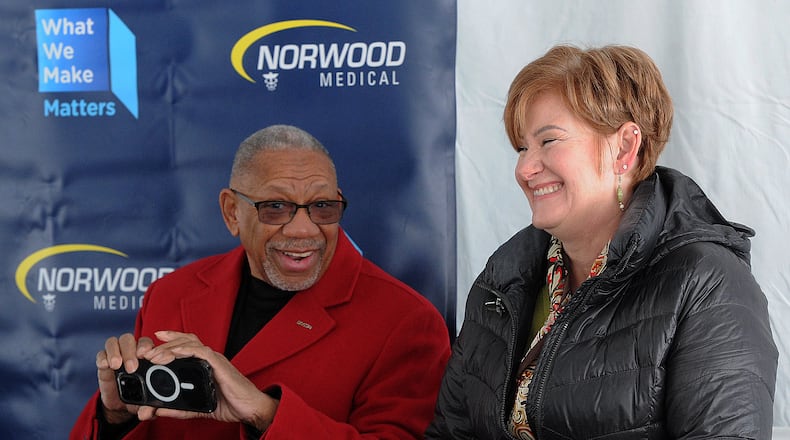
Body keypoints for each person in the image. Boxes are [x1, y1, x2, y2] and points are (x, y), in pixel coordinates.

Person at [426, 45, 778, 439]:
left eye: (549, 141)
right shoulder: (500, 282)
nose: (524, 168)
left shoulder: (707, 284)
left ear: (624, 147)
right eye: (523, 147)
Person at [70, 124, 451, 439]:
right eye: (276, 207)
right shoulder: (171, 294)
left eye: (322, 207)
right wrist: (114, 414)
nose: (304, 230)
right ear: (232, 212)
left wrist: (266, 413)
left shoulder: (405, 320)